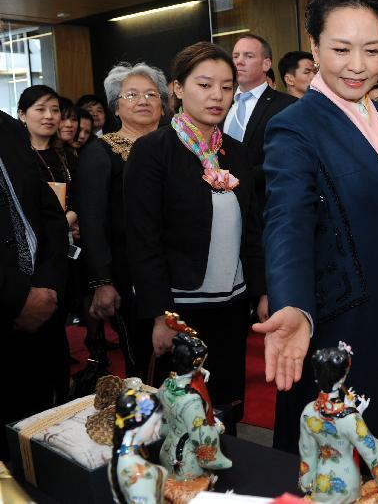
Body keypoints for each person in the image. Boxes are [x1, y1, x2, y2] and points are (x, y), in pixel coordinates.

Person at [254, 0, 378, 476]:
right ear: (313, 47)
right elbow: (286, 219)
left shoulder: (377, 113)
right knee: (347, 458)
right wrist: (293, 302)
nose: (357, 67)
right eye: (341, 50)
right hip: (346, 315)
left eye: (372, 50)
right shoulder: (295, 125)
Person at [125, 42, 266, 425]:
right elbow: (143, 240)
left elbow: (252, 227)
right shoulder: (153, 152)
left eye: (226, 86)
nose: (217, 96)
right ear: (177, 88)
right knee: (180, 416)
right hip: (180, 310)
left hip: (232, 306)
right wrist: (161, 316)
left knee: (225, 408)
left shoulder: (236, 153)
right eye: (204, 85)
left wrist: (262, 290)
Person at [78, 62, 168, 380]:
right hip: (129, 273)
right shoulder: (100, 152)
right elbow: (91, 221)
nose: (143, 100)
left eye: (151, 94)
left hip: (184, 269)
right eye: (132, 95)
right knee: (146, 362)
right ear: (116, 106)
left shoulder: (182, 146)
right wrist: (101, 282)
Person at [0, 110, 69, 461]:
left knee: (38, 447)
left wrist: (47, 286)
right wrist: (15, 300)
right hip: (9, 311)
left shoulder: (9, 129)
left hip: (42, 314)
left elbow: (49, 215)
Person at [225, 34, 295, 213]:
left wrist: (238, 179)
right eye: (235, 56)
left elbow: (286, 161)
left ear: (266, 64)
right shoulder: (220, 105)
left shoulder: (286, 106)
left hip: (266, 208)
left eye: (248, 56)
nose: (239, 62)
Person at [18, 86, 77, 235]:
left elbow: (82, 195)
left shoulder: (67, 155)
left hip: (66, 237)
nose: (49, 116)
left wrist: (69, 218)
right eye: (40, 109)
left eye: (55, 110)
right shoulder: (14, 156)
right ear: (22, 115)